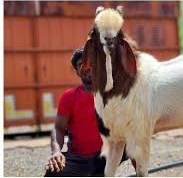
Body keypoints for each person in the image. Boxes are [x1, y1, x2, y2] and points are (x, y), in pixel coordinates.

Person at [44, 47, 127, 176]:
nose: (87, 67)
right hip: (79, 158)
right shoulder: (69, 97)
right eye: (81, 64)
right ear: (77, 71)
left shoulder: (114, 94)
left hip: (108, 155)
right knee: (53, 172)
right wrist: (56, 152)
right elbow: (59, 128)